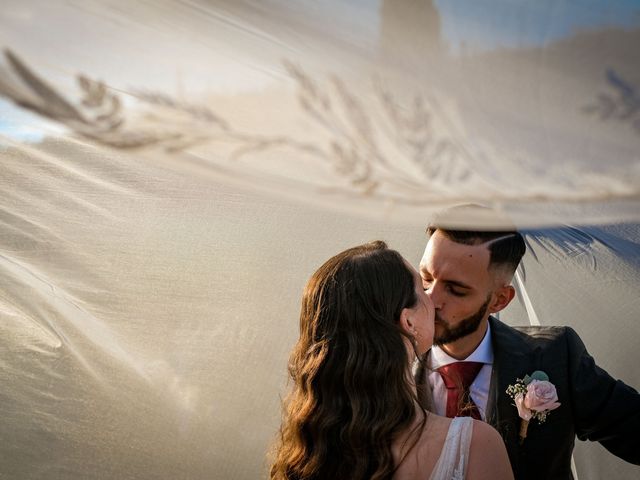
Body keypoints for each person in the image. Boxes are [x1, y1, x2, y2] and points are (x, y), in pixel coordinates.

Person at [416, 205, 640, 480]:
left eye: (456, 290)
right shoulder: (383, 359)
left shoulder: (556, 357)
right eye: (425, 278)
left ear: (499, 300)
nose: (430, 298)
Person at [270, 241, 513, 480]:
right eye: (423, 285)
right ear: (408, 322)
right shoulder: (475, 447)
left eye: (455, 288)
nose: (434, 298)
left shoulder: (305, 455)